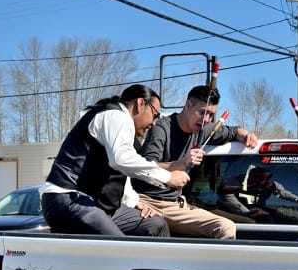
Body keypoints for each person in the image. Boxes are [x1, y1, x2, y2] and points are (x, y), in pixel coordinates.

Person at [40, 84, 189, 236]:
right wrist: (167, 177)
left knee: (156, 225)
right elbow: (122, 159)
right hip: (68, 198)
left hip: (94, 204)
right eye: (155, 114)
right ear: (140, 104)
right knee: (119, 247)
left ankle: (157, 261)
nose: (154, 123)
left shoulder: (120, 124)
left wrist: (135, 202)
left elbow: (117, 174)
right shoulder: (116, 116)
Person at [132, 85, 258, 239]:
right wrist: (182, 163)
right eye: (202, 113)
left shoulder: (204, 130)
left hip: (179, 203)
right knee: (225, 227)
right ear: (188, 105)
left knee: (248, 224)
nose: (206, 120)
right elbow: (146, 166)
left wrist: (245, 135)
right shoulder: (161, 128)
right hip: (152, 201)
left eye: (211, 115)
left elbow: (233, 131)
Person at [217, 166, 298, 221]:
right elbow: (225, 193)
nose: (262, 180)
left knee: (283, 218)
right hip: (232, 215)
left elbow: (283, 193)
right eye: (258, 177)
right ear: (250, 175)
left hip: (260, 212)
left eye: (265, 178)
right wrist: (246, 212)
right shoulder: (235, 181)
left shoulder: (269, 184)